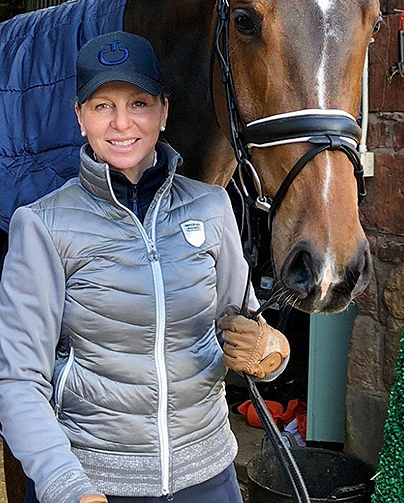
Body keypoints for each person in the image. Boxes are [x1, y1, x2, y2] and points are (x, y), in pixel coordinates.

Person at [0, 32, 290, 503]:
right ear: (79, 117)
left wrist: (272, 351)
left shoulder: (212, 207)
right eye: (102, 106)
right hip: (95, 483)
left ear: (163, 112)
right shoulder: (43, 225)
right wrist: (65, 484)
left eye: (138, 103)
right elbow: (18, 379)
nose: (121, 123)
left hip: (208, 478)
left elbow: (244, 333)